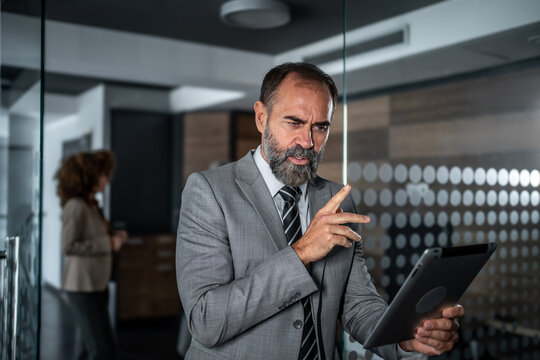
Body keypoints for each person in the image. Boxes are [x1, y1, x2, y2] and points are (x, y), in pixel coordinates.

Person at [176, 62, 463, 360]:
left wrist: (405, 338)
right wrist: (300, 254)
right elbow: (206, 321)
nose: (307, 142)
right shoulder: (209, 191)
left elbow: (359, 305)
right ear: (261, 117)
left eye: (320, 127)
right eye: (294, 122)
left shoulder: (336, 200)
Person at [56, 150, 127, 360]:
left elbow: (92, 236)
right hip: (82, 287)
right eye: (102, 174)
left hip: (96, 285)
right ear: (89, 176)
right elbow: (68, 245)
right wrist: (109, 243)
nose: (106, 179)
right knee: (101, 350)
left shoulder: (91, 206)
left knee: (91, 347)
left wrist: (114, 236)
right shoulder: (75, 206)